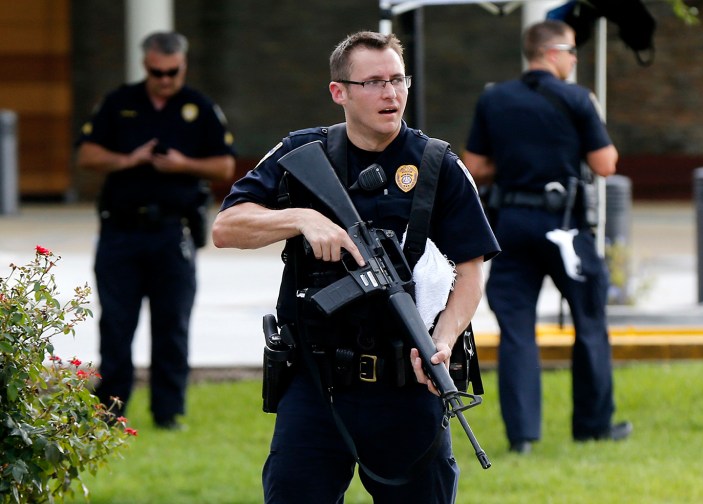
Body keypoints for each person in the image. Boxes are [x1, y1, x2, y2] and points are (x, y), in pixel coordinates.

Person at [212, 31, 498, 503]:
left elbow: (469, 275)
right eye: (374, 82)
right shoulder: (302, 154)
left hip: (408, 383)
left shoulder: (438, 164)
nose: (391, 93)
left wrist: (442, 343)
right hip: (317, 384)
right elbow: (227, 228)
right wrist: (301, 219)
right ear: (338, 91)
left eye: (398, 79)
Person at [462, 20, 631, 454]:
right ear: (553, 52)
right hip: (565, 229)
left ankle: (522, 439)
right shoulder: (576, 98)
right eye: (572, 52)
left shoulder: (494, 98)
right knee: (590, 322)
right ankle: (593, 426)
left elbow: (474, 166)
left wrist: (515, 167)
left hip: (512, 225)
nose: (575, 60)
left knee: (517, 331)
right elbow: (606, 163)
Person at [75, 31, 236, 430]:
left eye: (172, 72)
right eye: (156, 71)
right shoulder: (119, 102)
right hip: (121, 232)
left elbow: (224, 166)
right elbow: (86, 154)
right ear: (145, 65)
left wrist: (184, 165)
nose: (164, 79)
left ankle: (168, 414)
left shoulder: (199, 107)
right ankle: (109, 413)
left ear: (183, 65)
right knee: (115, 325)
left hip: (172, 233)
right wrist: (129, 159)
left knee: (172, 327)